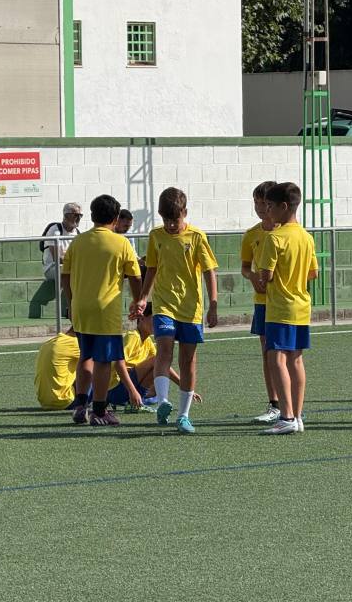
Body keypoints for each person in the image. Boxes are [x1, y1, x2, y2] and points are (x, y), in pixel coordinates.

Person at [132, 187, 219, 434]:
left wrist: (213, 304)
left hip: (190, 309)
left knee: (188, 360)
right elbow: (151, 268)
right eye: (166, 220)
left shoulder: (197, 237)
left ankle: (183, 415)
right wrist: (143, 298)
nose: (171, 225)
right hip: (164, 305)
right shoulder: (156, 236)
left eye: (175, 220)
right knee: (164, 349)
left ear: (185, 213)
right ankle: (163, 402)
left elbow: (209, 271)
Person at [61, 194, 142, 426]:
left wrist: (71, 302)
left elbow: (65, 276)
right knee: (104, 361)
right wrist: (138, 300)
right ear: (116, 218)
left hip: (81, 308)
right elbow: (135, 277)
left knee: (85, 356)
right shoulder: (121, 243)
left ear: (92, 215)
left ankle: (80, 406)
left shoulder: (78, 242)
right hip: (105, 311)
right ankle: (99, 410)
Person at [257, 182, 318, 435]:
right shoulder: (306, 237)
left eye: (270, 206)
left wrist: (264, 278)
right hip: (301, 306)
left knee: (276, 358)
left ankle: (286, 415)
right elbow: (313, 273)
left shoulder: (274, 237)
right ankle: (297, 416)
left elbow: (266, 275)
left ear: (283, 206)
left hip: (281, 307)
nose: (267, 210)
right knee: (296, 359)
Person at [240, 180, 280, 423]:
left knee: (286, 354)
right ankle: (274, 403)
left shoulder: (287, 232)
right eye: (255, 202)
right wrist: (253, 276)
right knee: (267, 352)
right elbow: (245, 267)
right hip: (262, 302)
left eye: (263, 202)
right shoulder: (251, 234)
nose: (259, 207)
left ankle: (292, 404)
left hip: (283, 302)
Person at [29, 202, 82, 318]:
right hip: (52, 268)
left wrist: (70, 258)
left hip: (69, 267)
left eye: (80, 215)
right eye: (75, 215)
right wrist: (72, 260)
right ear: (66, 215)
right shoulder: (55, 230)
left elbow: (79, 257)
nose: (78, 218)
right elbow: (58, 258)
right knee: (71, 274)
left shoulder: (78, 233)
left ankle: (75, 309)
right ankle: (70, 310)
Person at [34, 327, 85, 410]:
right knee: (100, 364)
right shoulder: (75, 343)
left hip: (44, 402)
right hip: (66, 401)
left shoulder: (50, 342)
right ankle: (101, 407)